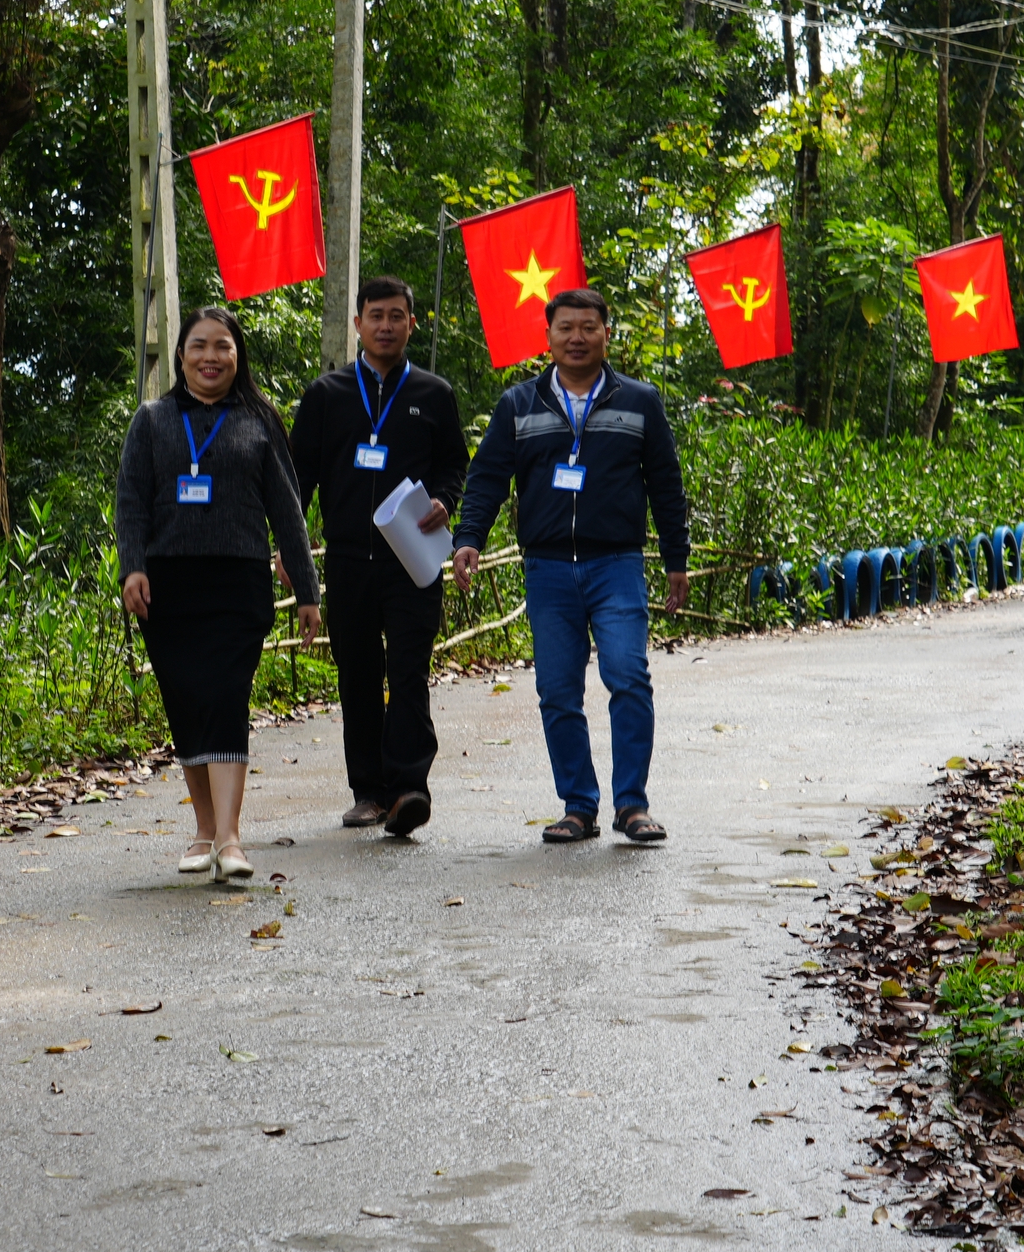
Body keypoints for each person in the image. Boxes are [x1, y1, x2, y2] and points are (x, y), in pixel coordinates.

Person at [450, 288, 689, 845]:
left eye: (588, 328)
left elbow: (666, 483)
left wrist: (675, 557)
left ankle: (633, 805)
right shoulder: (518, 404)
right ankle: (578, 805)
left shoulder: (640, 401)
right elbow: (487, 477)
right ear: (549, 336)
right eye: (566, 329)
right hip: (549, 568)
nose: (577, 338)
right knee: (558, 691)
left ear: (608, 333)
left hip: (617, 564)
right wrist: (469, 538)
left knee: (627, 676)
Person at [116, 307, 321, 880]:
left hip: (239, 581)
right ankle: (203, 829)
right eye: (199, 346)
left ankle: (230, 838)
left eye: (223, 347)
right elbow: (130, 502)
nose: (211, 357)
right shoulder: (152, 420)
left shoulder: (259, 420)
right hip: (167, 584)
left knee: (227, 695)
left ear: (238, 357)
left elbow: (288, 510)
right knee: (186, 701)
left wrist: (307, 589)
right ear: (181, 356)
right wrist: (132, 567)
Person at [290, 277, 471, 838]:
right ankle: (367, 792)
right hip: (348, 559)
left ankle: (409, 788)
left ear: (412, 324)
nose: (386, 325)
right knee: (359, 675)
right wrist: (289, 548)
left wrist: (445, 499)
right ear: (359, 324)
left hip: (412, 557)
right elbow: (299, 479)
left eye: (397, 316)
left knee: (410, 670)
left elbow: (454, 466)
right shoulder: (328, 394)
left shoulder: (433, 394)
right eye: (376, 316)